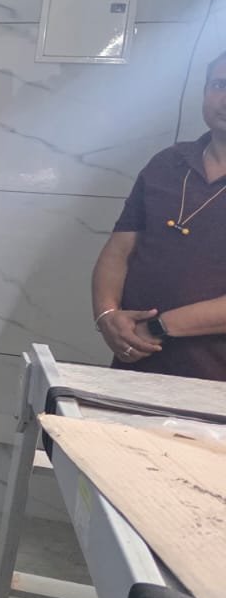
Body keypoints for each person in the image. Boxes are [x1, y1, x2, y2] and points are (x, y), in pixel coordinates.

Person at [90, 50, 226, 382]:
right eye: (219, 85)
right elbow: (119, 251)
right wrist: (107, 316)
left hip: (213, 381)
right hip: (135, 367)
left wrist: (157, 327)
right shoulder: (168, 163)